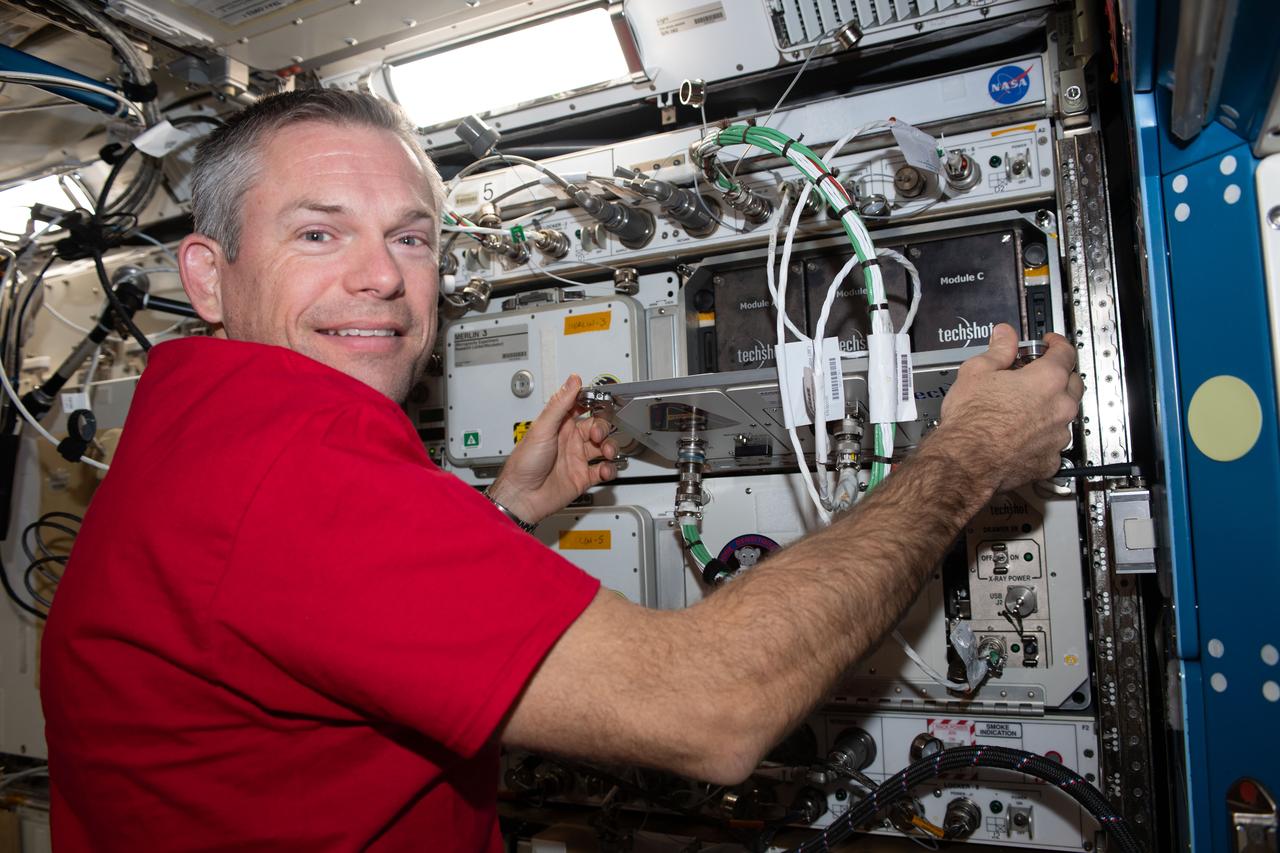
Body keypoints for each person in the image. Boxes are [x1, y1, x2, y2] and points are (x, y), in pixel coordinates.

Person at [40, 89, 1083, 851]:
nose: (381, 278)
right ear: (207, 275)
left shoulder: (195, 442)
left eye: (411, 239)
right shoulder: (291, 461)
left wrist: (502, 512)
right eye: (319, 233)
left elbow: (311, 639)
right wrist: (969, 455)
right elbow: (714, 710)